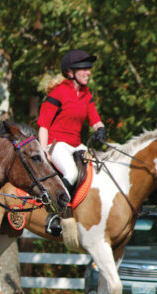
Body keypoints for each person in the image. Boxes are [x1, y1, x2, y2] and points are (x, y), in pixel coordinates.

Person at [36, 49, 106, 235]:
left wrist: (101, 130)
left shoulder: (86, 95)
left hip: (76, 145)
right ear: (70, 72)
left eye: (89, 68)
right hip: (56, 144)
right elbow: (43, 125)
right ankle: (54, 215)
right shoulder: (58, 93)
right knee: (72, 172)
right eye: (83, 68)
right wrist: (44, 153)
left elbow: (95, 120)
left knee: (100, 168)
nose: (88, 72)